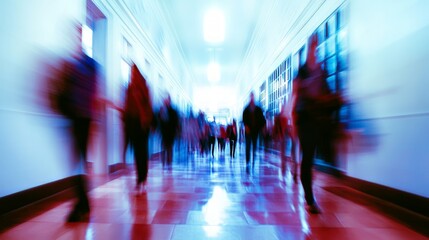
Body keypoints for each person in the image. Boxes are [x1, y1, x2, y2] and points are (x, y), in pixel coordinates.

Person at [292, 34, 343, 214]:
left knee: (314, 153)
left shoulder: (321, 70)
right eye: (313, 45)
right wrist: (294, 120)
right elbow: (296, 95)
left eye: (317, 45)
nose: (315, 48)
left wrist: (332, 98)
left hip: (318, 119)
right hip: (305, 119)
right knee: (308, 158)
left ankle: (329, 156)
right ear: (309, 48)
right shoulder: (301, 71)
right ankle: (309, 199)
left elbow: (326, 90)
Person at [60, 24, 99, 222]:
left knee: (79, 162)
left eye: (78, 33)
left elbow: (91, 93)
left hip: (83, 119)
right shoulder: (74, 64)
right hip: (75, 118)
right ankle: (82, 203)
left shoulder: (88, 64)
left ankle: (82, 204)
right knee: (78, 161)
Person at [123, 64, 154, 194]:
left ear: (138, 74)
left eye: (134, 73)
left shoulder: (145, 88)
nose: (132, 75)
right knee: (137, 152)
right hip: (133, 123)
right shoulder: (129, 88)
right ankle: (138, 180)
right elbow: (127, 106)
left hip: (143, 124)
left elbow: (148, 106)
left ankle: (143, 178)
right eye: (131, 73)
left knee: (143, 152)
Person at [242, 92, 266, 173]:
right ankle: (248, 161)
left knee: (254, 146)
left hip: (255, 131)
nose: (252, 98)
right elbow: (244, 119)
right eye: (251, 96)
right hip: (248, 131)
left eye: (253, 96)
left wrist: (262, 128)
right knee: (248, 146)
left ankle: (253, 161)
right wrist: (246, 126)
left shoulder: (258, 109)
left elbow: (262, 119)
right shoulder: (246, 109)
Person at [158, 95, 180, 168]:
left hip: (171, 132)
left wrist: (177, 130)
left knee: (169, 146)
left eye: (167, 101)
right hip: (164, 132)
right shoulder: (162, 110)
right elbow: (159, 120)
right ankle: (165, 161)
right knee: (164, 146)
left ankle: (169, 160)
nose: (165, 102)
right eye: (165, 101)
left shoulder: (173, 111)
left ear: (169, 102)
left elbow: (176, 121)